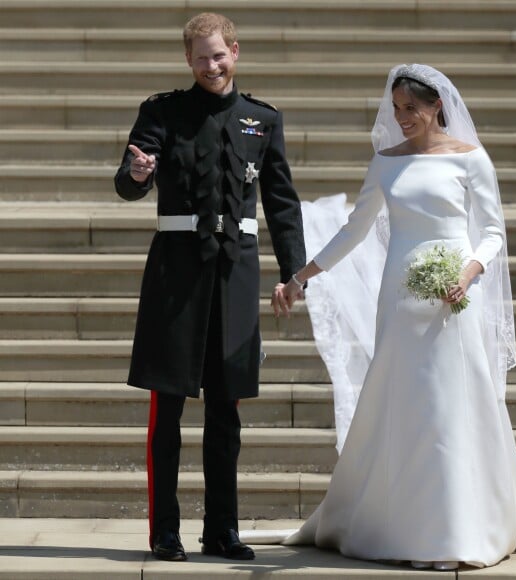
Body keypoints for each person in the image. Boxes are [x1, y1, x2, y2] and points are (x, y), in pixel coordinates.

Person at [267, 64, 516, 570]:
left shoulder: (471, 159)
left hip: (457, 292)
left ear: (436, 106)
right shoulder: (386, 163)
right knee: (405, 401)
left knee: (453, 398)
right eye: (396, 109)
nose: (402, 117)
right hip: (399, 297)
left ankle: (458, 527)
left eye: (411, 108)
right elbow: (354, 231)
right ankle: (400, 523)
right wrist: (301, 277)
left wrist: (470, 271)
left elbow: (494, 232)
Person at [114, 12, 306, 562]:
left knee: (227, 410)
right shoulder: (162, 112)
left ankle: (222, 529)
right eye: (200, 57)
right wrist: (140, 174)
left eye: (218, 54)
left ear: (235, 52)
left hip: (236, 274)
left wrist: (293, 272)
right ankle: (165, 532)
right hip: (175, 274)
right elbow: (126, 181)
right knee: (167, 410)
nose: (210, 65)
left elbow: (281, 202)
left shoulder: (261, 120)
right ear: (187, 60)